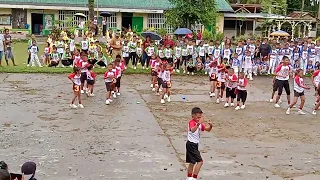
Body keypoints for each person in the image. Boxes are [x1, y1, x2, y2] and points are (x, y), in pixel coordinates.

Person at [185, 107, 212, 180]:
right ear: (193, 116)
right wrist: (198, 123)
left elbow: (207, 130)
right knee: (200, 162)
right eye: (197, 117)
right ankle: (194, 178)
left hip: (195, 144)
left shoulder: (200, 124)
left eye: (200, 117)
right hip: (191, 144)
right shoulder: (192, 122)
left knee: (192, 162)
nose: (198, 119)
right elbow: (192, 130)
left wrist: (210, 126)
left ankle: (189, 177)